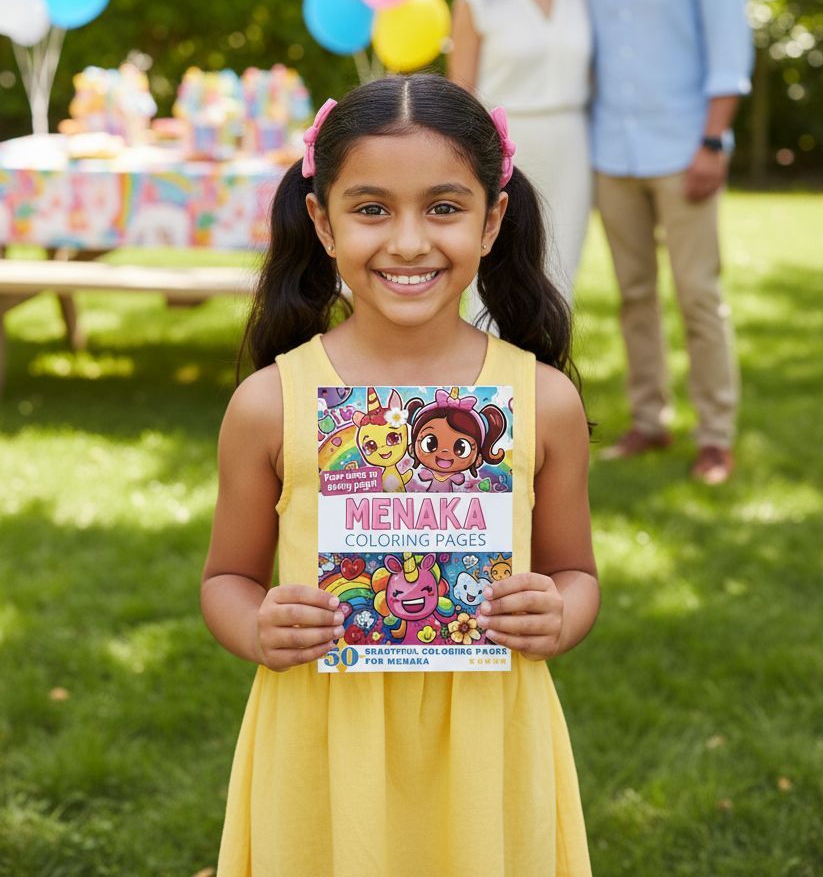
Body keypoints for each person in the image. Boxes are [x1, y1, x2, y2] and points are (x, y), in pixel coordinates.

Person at [202, 73, 599, 877]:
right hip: (322, 743)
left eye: (444, 208)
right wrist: (256, 627)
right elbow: (227, 579)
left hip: (491, 744)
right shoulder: (269, 404)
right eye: (372, 208)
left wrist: (558, 612)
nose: (409, 242)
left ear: (492, 222)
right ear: (322, 221)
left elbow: (576, 572)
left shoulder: (542, 401)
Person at [578, 0, 753, 485]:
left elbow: (729, 51)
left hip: (685, 151)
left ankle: (716, 435)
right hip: (611, 156)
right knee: (633, 296)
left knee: (699, 296)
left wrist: (713, 141)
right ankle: (650, 420)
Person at [449, 0, 593, 299]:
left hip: (573, 146)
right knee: (496, 267)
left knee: (561, 268)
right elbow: (461, 93)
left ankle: (547, 365)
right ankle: (485, 364)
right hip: (505, 147)